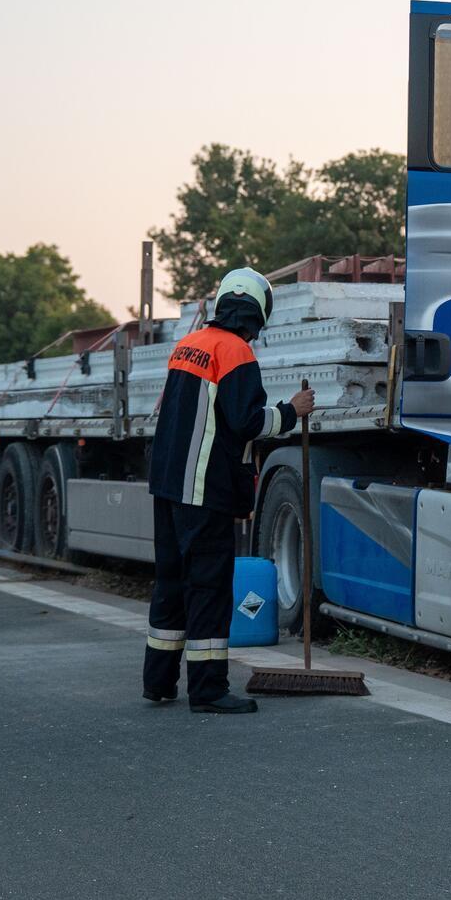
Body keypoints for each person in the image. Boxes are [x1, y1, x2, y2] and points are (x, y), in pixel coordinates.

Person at [143, 267, 314, 714]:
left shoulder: (190, 344)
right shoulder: (235, 351)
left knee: (171, 583)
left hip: (168, 486)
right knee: (208, 588)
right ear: (257, 314)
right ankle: (208, 690)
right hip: (204, 491)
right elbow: (249, 422)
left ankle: (158, 682)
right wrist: (292, 412)